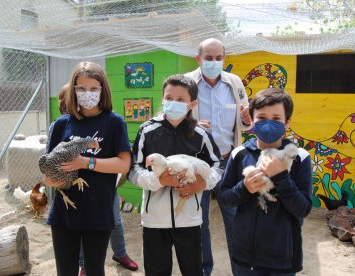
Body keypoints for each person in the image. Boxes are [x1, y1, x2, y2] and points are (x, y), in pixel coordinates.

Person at [43, 61, 132, 276]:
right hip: (65, 211)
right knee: (65, 271)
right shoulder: (62, 124)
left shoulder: (114, 122)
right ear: (73, 91)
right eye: (81, 88)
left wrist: (87, 163)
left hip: (98, 211)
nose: (87, 93)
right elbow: (48, 167)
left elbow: (123, 164)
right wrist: (51, 180)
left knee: (94, 270)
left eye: (93, 88)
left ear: (103, 90)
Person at [129, 74, 222, 276]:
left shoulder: (201, 134)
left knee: (193, 270)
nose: (173, 103)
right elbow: (133, 169)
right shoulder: (147, 130)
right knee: (156, 271)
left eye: (181, 100)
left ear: (192, 103)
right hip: (154, 220)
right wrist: (157, 180)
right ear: (162, 98)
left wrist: (202, 183)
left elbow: (218, 165)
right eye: (169, 98)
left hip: (189, 219)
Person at [217, 88, 313, 275]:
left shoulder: (299, 157)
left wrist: (281, 177)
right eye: (261, 118)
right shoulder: (239, 154)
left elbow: (304, 209)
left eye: (276, 119)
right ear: (251, 120)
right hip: (244, 257)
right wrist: (244, 188)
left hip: (283, 258)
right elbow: (224, 197)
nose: (268, 124)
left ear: (287, 122)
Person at [185, 38, 252, 275]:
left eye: (218, 58)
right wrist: (189, 124)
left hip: (228, 162)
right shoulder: (185, 83)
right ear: (198, 58)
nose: (214, 62)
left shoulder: (234, 83)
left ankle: (241, 270)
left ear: (224, 58)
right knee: (198, 221)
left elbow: (245, 124)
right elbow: (168, 119)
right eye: (208, 58)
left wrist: (247, 121)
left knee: (235, 220)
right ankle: (204, 269)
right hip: (198, 164)